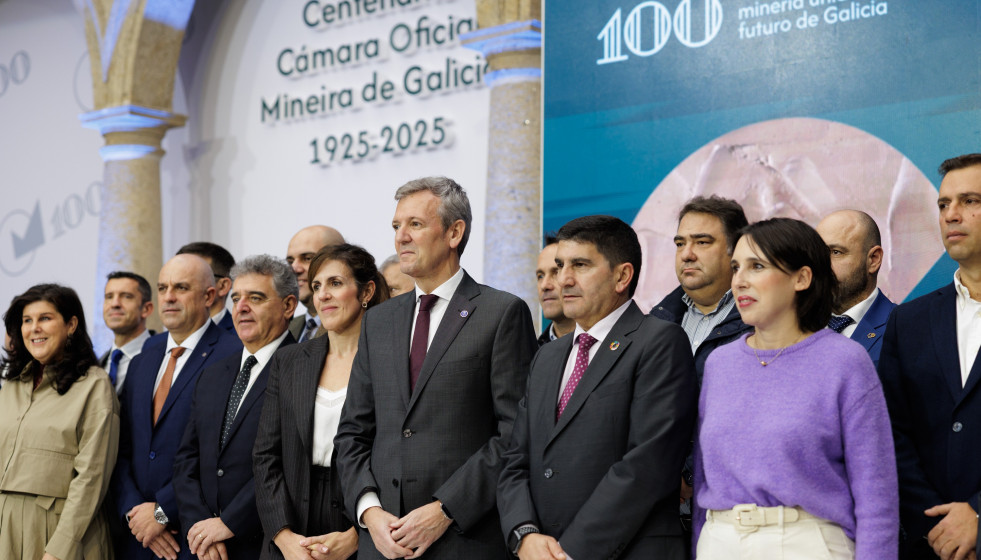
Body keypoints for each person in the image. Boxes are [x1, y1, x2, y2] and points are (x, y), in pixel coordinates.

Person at [334, 177, 538, 559]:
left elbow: (514, 433)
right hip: (382, 543)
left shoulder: (501, 313)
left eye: (415, 224)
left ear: (454, 232)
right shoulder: (379, 321)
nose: (401, 237)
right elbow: (352, 433)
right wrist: (369, 512)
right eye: (396, 227)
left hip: (462, 539)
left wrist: (446, 510)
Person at [694, 218, 898, 559]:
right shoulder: (719, 364)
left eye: (756, 266)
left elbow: (877, 496)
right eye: (735, 268)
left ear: (802, 278)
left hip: (807, 543)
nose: (739, 281)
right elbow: (704, 478)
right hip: (719, 542)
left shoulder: (845, 361)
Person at [497, 215, 697, 559]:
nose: (565, 279)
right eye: (560, 266)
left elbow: (647, 465)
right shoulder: (546, 357)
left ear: (622, 275)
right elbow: (516, 459)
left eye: (581, 264)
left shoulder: (659, 342)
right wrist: (525, 534)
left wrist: (570, 552)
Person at [255, 243, 389, 560]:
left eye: (335, 283)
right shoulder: (289, 361)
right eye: (317, 286)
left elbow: (398, 460)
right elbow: (265, 456)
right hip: (290, 524)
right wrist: (284, 538)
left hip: (361, 521)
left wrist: (357, 536)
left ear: (366, 291)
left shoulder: (391, 363)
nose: (322, 295)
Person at [879, 153, 981, 560]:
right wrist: (938, 527)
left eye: (970, 201)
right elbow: (891, 432)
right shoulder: (910, 320)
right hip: (930, 544)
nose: (951, 215)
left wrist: (977, 516)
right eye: (943, 204)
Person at [112, 253, 242, 560]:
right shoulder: (143, 360)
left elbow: (226, 454)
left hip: (194, 538)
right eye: (162, 288)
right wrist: (136, 516)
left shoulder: (234, 354)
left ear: (209, 295)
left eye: (180, 288)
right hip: (137, 539)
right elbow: (121, 449)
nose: (168, 297)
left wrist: (160, 514)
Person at [174, 255, 299, 560]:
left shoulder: (303, 369)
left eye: (255, 298)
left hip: (262, 544)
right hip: (204, 547)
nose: (241, 307)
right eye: (235, 299)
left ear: (288, 306)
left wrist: (229, 523)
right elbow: (187, 458)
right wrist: (201, 527)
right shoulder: (214, 373)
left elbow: (290, 462)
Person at [649, 195, 753, 544]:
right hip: (655, 513)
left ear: (734, 251)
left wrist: (691, 477)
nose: (687, 253)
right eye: (680, 243)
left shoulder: (760, 327)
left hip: (732, 513)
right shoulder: (654, 323)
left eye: (702, 242)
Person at [0, 283, 120, 560]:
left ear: (71, 324)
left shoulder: (94, 385)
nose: (34, 328)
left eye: (45, 318)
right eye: (27, 321)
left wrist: (60, 548)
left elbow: (92, 478)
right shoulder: (12, 385)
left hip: (61, 533)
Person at [816, 210, 896, 366]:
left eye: (836, 252)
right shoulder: (793, 329)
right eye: (818, 253)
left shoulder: (905, 330)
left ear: (874, 259)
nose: (821, 264)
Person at [286, 226, 345, 342]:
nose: (294, 268)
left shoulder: (358, 329)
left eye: (307, 258)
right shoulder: (287, 328)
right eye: (290, 261)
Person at [100, 270, 155, 393]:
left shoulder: (165, 357)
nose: (115, 304)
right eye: (109, 297)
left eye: (126, 296)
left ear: (146, 309)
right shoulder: (96, 366)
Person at [178, 242, 237, 331]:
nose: (170, 295)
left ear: (223, 286)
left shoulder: (242, 338)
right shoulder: (157, 342)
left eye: (191, 276)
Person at [535, 234, 574, 346]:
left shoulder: (606, 344)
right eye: (540, 276)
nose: (544, 285)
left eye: (556, 272)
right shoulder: (532, 354)